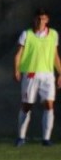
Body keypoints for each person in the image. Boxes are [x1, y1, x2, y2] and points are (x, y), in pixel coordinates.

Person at [13, 8, 61, 147]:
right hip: (31, 74)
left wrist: (60, 73)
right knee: (27, 106)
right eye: (39, 18)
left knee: (49, 104)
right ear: (35, 19)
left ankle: (46, 139)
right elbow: (18, 54)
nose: (41, 21)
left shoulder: (53, 34)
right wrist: (16, 69)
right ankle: (21, 137)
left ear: (47, 20)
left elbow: (55, 55)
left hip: (47, 75)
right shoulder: (26, 34)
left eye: (44, 18)